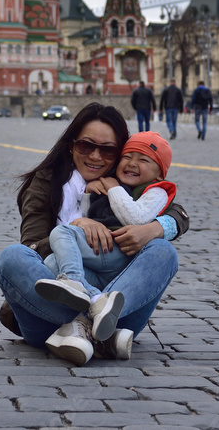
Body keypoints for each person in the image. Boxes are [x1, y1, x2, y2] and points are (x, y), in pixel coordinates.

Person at [0, 103, 189, 366]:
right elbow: (32, 246)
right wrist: (78, 227)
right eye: (86, 146)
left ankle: (92, 324)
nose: (96, 156)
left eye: (108, 150)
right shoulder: (48, 181)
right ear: (71, 146)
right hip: (48, 317)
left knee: (164, 251)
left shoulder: (123, 181)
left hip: (117, 314)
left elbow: (174, 208)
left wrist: (154, 229)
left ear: (119, 153)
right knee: (12, 257)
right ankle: (95, 324)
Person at [34, 132, 176, 347]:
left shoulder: (156, 192)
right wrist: (89, 194)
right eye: (127, 157)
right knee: (52, 262)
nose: (132, 163)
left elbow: (135, 218)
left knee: (62, 232)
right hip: (101, 252)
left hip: (119, 251)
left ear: (159, 174)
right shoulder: (113, 184)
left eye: (143, 160)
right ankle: (97, 304)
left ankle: (74, 281)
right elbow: (90, 215)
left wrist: (113, 188)